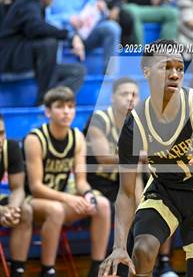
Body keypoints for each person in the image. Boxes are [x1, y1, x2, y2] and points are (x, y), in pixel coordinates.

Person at [99, 39, 193, 277]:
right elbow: (126, 192)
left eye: (179, 68)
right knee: (143, 249)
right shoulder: (134, 124)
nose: (175, 74)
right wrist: (118, 247)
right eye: (166, 67)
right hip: (164, 191)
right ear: (146, 72)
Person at [25, 87, 111, 277]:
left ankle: (97, 268)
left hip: (61, 200)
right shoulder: (35, 139)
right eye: (60, 107)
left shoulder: (77, 137)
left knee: (102, 204)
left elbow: (81, 182)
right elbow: (36, 187)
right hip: (33, 202)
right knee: (55, 210)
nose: (66, 112)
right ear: (48, 111)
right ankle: (47, 270)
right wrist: (69, 199)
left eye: (71, 107)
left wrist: (88, 195)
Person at [0, 0, 85, 104]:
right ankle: (44, 98)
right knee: (49, 43)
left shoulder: (33, 2)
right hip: (11, 61)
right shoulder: (27, 3)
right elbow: (36, 28)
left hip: (27, 59)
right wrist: (69, 35)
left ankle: (51, 101)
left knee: (77, 71)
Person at [47, 0, 121, 69]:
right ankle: (54, 75)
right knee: (52, 29)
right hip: (61, 34)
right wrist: (67, 19)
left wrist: (102, 10)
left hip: (84, 34)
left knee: (112, 28)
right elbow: (43, 19)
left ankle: (110, 76)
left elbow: (95, 13)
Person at [85, 77, 139, 204]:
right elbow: (104, 158)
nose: (130, 98)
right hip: (94, 182)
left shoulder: (139, 124)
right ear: (112, 97)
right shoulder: (99, 119)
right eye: (124, 94)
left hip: (120, 184)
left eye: (134, 95)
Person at [0, 114, 33, 277]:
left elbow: (18, 188)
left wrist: (12, 209)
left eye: (1, 133)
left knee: (24, 211)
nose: (0, 139)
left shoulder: (10, 147)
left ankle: (17, 271)